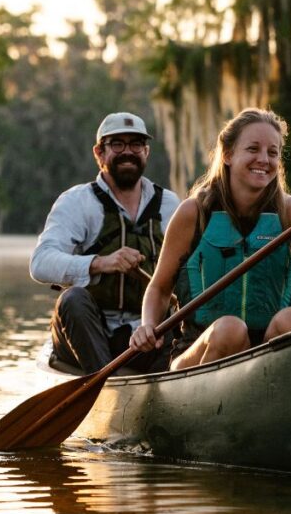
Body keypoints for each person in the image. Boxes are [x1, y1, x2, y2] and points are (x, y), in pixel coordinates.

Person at [130, 108, 291, 370]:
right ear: (229, 154)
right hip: (199, 350)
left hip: (265, 351)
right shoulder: (194, 212)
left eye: (273, 152)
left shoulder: (288, 210)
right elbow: (159, 288)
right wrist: (147, 326)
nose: (264, 159)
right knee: (230, 329)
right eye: (253, 149)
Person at [30, 112, 180, 373]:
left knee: (179, 316)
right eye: (117, 144)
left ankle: (172, 377)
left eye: (135, 144)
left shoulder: (170, 205)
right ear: (99, 153)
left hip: (147, 336)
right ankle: (101, 381)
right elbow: (40, 263)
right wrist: (101, 263)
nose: (128, 152)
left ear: (146, 152)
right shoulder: (77, 202)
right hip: (89, 334)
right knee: (72, 299)